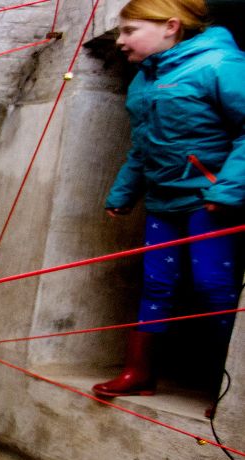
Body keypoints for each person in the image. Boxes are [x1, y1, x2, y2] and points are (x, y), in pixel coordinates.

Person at [98, 0, 244, 414]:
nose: (121, 41)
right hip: (164, 201)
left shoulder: (222, 64)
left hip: (211, 202)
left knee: (213, 288)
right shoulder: (144, 79)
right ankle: (139, 372)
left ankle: (228, 393)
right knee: (156, 286)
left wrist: (227, 191)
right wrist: (122, 194)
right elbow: (142, 146)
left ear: (171, 27)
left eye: (130, 31)